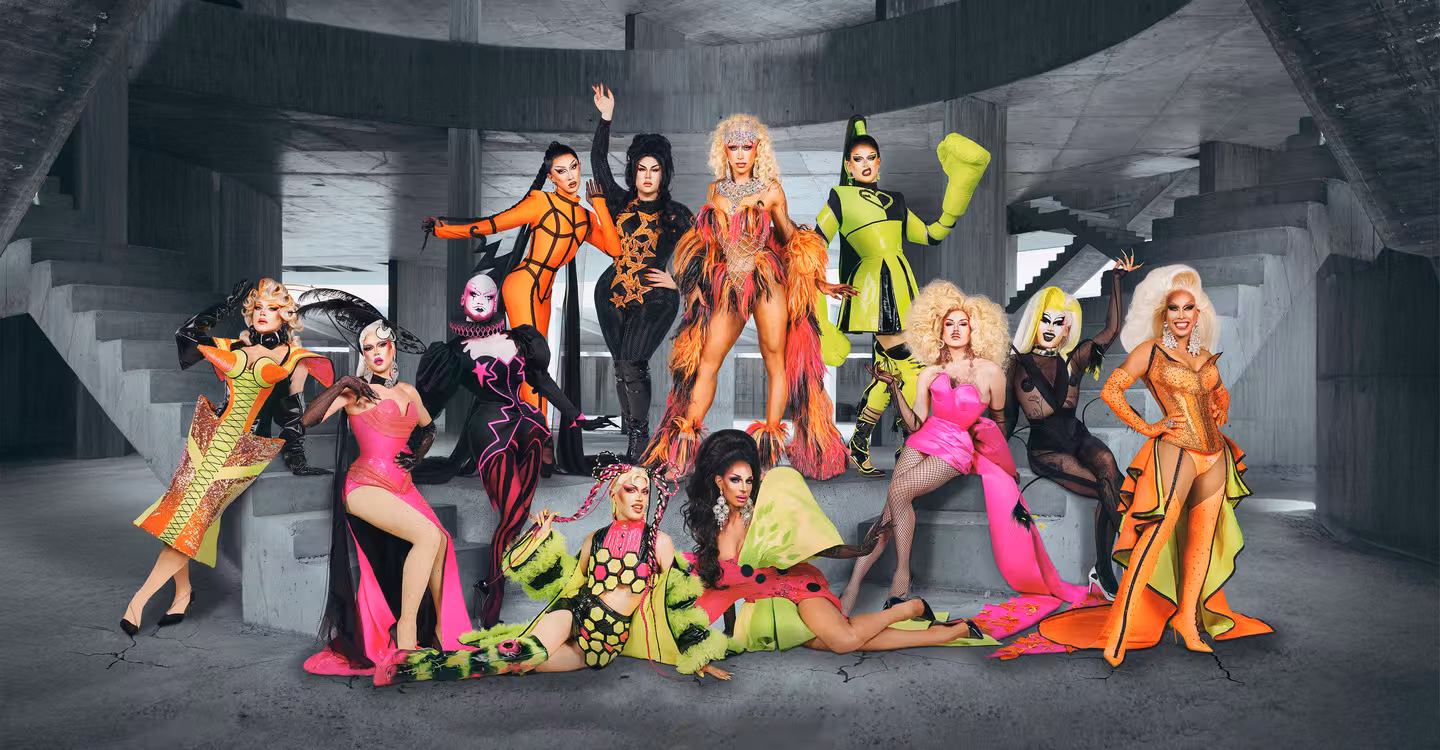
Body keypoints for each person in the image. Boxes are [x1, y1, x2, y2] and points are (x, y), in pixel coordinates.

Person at [997, 264, 1273, 665]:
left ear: (1198, 314)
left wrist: (1222, 404)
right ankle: (1119, 625)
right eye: (1174, 308)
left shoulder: (1202, 357)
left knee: (1200, 542)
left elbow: (1217, 392)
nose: (1181, 315)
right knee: (1152, 535)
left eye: (1189, 308)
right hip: (1167, 450)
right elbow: (1112, 390)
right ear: (1164, 314)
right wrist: (1149, 427)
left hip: (1215, 454)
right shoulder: (1150, 352)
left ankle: (1187, 621)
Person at [837, 281, 1091, 637]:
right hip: (924, 439)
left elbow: (1000, 421)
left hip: (956, 446)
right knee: (889, 510)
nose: (956, 329)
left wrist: (995, 455)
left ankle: (901, 576)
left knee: (898, 492)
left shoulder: (991, 372)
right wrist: (894, 387)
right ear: (938, 329)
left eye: (963, 323)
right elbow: (916, 425)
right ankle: (855, 586)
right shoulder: (929, 372)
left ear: (975, 329)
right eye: (949, 323)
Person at [372, 459, 732, 686]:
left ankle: (414, 664)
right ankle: (411, 667)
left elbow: (678, 602)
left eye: (645, 491)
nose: (640, 497)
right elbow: (566, 581)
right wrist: (541, 537)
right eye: (630, 489)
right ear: (614, 495)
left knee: (519, 663)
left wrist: (697, 652)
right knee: (519, 653)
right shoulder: (595, 539)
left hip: (605, 640)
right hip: (573, 611)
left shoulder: (659, 543)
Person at [642, 113, 852, 479]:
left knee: (775, 359)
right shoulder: (715, 190)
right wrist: (690, 280)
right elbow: (707, 245)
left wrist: (820, 281)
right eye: (733, 147)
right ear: (724, 150)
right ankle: (683, 448)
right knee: (707, 361)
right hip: (728, 284)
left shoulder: (771, 190)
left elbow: (789, 239)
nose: (740, 154)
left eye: (747, 146)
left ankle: (768, 454)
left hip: (766, 279)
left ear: (758, 150)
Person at [412, 247, 611, 627]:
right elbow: (429, 402)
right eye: (474, 294)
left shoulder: (521, 341)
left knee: (518, 508)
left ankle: (492, 584)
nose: (481, 301)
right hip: (488, 433)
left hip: (530, 427)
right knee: (514, 513)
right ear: (463, 300)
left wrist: (576, 416)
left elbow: (542, 381)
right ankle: (494, 587)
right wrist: (407, 438)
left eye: (488, 296)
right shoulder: (454, 353)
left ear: (497, 301)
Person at [124, 279, 334, 634]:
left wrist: (296, 457)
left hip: (243, 452)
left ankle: (138, 602)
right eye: (257, 307)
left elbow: (291, 414)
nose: (263, 313)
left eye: (272, 308)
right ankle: (183, 594)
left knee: (193, 517)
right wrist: (225, 304)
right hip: (207, 439)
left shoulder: (294, 359)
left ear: (285, 316)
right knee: (178, 514)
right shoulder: (235, 346)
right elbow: (187, 336)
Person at [289, 291, 474, 675]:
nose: (375, 352)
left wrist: (418, 455)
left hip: (402, 485)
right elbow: (307, 420)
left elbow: (428, 428)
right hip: (365, 486)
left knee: (441, 541)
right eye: (368, 347)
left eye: (381, 345)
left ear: (393, 349)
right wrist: (342, 382)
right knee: (429, 537)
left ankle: (443, 633)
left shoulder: (408, 392)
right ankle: (406, 632)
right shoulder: (354, 391)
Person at [682, 430, 995, 655]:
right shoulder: (709, 529)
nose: (744, 488)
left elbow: (813, 543)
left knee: (844, 640)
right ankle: (950, 633)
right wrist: (729, 631)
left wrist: (858, 551)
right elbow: (725, 587)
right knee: (836, 641)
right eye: (735, 480)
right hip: (767, 606)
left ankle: (909, 609)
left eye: (749, 480)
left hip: (794, 586)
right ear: (719, 481)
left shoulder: (764, 511)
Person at [424, 144, 622, 475]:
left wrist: (599, 205)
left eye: (574, 167)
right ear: (551, 176)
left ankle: (529, 443)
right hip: (523, 284)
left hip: (545, 291)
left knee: (535, 365)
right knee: (533, 366)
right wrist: (444, 228)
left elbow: (615, 249)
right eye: (561, 170)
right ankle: (534, 446)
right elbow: (493, 224)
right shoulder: (540, 202)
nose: (570, 176)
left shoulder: (585, 217)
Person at [814, 115, 992, 477]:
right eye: (858, 159)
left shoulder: (895, 200)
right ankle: (914, 442)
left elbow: (931, 235)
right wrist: (822, 284)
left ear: (879, 162)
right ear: (848, 166)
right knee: (915, 367)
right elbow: (814, 244)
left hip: (902, 288)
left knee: (890, 372)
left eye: (871, 158)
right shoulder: (841, 198)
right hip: (873, 291)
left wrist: (957, 196)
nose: (865, 164)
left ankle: (860, 443)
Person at [1006, 251, 1141, 595]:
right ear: (1036, 322)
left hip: (1078, 437)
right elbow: (1005, 420)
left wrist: (1115, 280)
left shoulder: (1075, 359)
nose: (1051, 328)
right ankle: (1117, 567)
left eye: (1059, 322)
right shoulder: (1016, 364)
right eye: (1045, 320)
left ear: (1067, 327)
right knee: (1108, 488)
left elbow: (1111, 330)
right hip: (1047, 450)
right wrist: (992, 460)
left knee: (1108, 466)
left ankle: (1117, 564)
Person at [588, 84, 694, 461]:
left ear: (663, 174)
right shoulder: (618, 202)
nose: (647, 176)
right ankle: (634, 442)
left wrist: (679, 282)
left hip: (655, 298)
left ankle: (639, 442)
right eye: (641, 169)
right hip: (611, 294)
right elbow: (598, 161)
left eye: (655, 170)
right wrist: (606, 118)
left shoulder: (677, 215)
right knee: (622, 367)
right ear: (633, 172)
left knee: (634, 363)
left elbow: (704, 256)